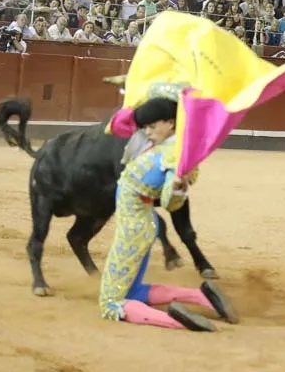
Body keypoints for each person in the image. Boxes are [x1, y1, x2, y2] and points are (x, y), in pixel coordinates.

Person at [98, 92, 238, 332]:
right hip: (141, 223)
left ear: (170, 123)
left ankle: (181, 322)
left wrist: (177, 186)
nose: (147, 132)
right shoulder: (170, 147)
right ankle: (202, 297)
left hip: (134, 228)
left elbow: (170, 203)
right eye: (146, 127)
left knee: (111, 303)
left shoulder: (175, 156)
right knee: (133, 291)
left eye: (152, 126)